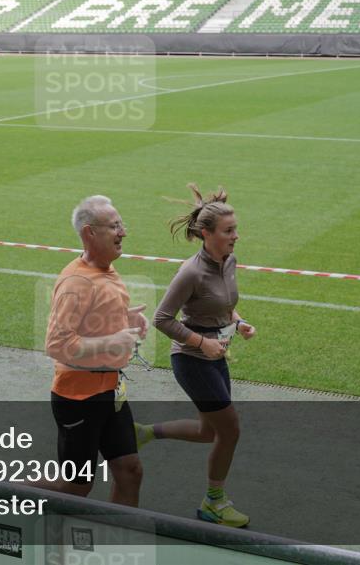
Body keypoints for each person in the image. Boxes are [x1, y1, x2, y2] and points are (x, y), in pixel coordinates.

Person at [142, 184, 256, 527]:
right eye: (228, 231)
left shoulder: (229, 261)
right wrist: (201, 343)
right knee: (230, 430)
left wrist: (239, 323)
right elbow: (162, 319)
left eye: (235, 229)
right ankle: (213, 502)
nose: (236, 236)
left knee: (209, 432)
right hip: (192, 361)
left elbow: (223, 305)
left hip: (215, 356)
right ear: (206, 234)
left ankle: (144, 432)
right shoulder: (191, 272)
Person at [40, 195, 149, 507]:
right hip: (78, 398)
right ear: (90, 233)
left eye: (121, 224)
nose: (123, 232)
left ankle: (118, 536)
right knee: (74, 487)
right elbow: (57, 344)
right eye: (114, 226)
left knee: (129, 471)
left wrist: (124, 319)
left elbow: (93, 318)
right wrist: (112, 341)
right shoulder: (76, 281)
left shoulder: (106, 270)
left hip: (110, 391)